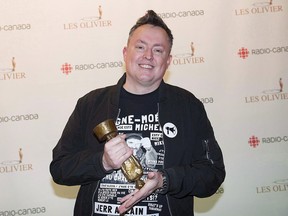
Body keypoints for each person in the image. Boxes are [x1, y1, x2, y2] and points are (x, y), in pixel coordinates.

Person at [50, 10, 225, 216]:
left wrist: (165, 180)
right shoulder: (91, 104)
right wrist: (103, 162)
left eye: (158, 50)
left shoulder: (188, 106)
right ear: (125, 53)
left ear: (168, 60)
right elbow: (60, 169)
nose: (148, 56)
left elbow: (211, 174)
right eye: (140, 47)